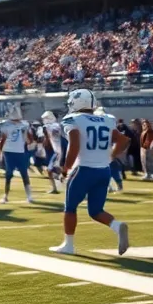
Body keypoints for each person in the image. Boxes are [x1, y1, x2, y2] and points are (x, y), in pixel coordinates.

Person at [49, 89, 130, 256]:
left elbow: (75, 144)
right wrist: (111, 156)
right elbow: (123, 140)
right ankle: (117, 225)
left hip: (84, 170)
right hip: (104, 171)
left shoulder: (74, 119)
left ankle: (68, 245)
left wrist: (66, 168)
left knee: (70, 208)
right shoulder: (106, 119)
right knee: (95, 210)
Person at [0, 103, 33, 203]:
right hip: (19, 151)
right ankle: (29, 196)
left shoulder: (6, 125)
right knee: (23, 174)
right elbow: (30, 140)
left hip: (9, 151)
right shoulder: (24, 125)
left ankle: (5, 196)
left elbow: (3, 139)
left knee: (9, 174)